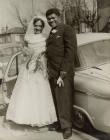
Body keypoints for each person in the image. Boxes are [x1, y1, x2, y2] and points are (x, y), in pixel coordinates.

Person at [6, 16, 57, 128]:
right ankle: (25, 117)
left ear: (43, 27)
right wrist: (26, 53)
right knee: (27, 91)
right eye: (36, 25)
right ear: (33, 26)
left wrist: (41, 58)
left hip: (40, 66)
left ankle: (40, 117)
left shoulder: (45, 38)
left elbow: (48, 51)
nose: (37, 27)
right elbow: (24, 52)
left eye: (40, 26)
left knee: (40, 91)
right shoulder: (28, 37)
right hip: (29, 66)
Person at [46, 8, 77, 139]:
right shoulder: (51, 33)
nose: (51, 20)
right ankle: (60, 122)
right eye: (49, 19)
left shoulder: (67, 29)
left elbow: (70, 52)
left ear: (59, 16)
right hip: (52, 72)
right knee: (56, 100)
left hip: (63, 72)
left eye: (53, 17)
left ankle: (67, 127)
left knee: (64, 100)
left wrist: (63, 73)